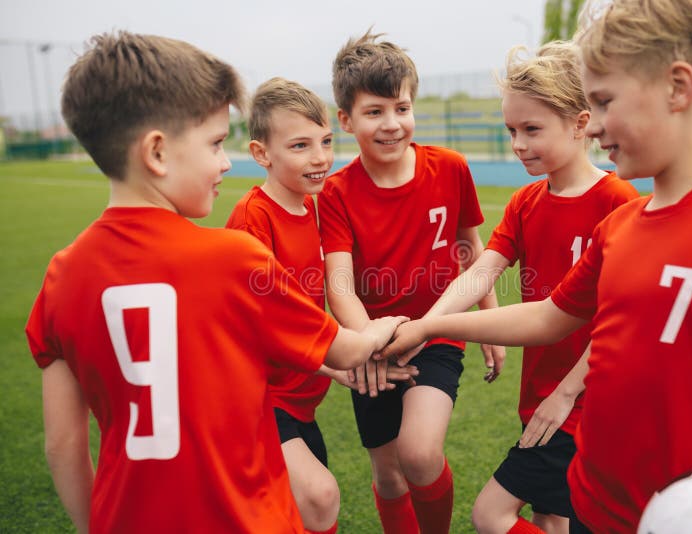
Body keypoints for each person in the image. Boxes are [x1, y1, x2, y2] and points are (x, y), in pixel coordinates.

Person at [381, 1, 692, 532]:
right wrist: (432, 326)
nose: (594, 125)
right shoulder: (622, 229)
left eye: (604, 102)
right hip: (596, 503)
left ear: (678, 87)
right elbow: (547, 317)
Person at [25, 31, 406, 534]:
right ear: (157, 153)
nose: (225, 162)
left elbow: (64, 445)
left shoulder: (60, 277)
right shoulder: (233, 257)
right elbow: (346, 351)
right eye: (213, 144)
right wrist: (396, 325)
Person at [412, 41, 638, 534]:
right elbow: (479, 272)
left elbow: (623, 314)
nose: (518, 143)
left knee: (492, 514)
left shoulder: (617, 199)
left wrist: (567, 393)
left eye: (532, 129)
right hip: (539, 393)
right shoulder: (525, 201)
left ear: (580, 124)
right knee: (551, 516)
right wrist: (424, 326)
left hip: (584, 401)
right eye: (511, 130)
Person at [317, 30, 501, 534]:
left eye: (401, 107)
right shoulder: (335, 193)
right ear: (346, 120)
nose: (392, 124)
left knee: (418, 454)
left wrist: (489, 318)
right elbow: (340, 286)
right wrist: (367, 345)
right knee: (389, 474)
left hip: (437, 330)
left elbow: (472, 248)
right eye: (374, 112)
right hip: (372, 343)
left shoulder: (450, 168)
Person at [225, 77, 417, 534]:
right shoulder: (254, 218)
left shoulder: (316, 208)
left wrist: (335, 369)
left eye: (326, 141)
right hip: (256, 399)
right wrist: (356, 347)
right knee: (320, 495)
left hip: (300, 399)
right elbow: (260, 325)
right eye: (299, 146)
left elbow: (312, 311)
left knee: (302, 514)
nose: (319, 157)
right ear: (261, 154)